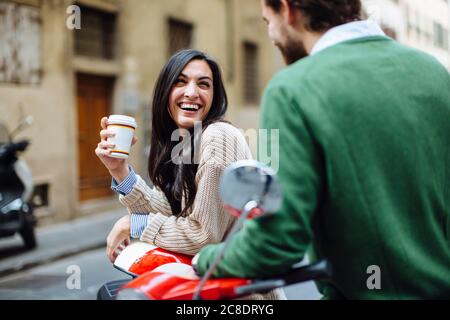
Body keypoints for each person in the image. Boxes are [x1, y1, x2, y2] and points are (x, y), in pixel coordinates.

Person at [193, 0, 450, 299]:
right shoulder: (434, 72)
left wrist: (205, 260)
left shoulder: (292, 89)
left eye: (268, 22)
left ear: (287, 10)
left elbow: (276, 242)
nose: (272, 37)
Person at [95, 49, 285, 300]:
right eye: (180, 81)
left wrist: (134, 224)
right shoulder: (185, 143)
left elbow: (204, 236)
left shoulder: (218, 136)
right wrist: (119, 170)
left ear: (214, 96)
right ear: (165, 91)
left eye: (203, 84)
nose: (192, 92)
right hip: (207, 289)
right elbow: (168, 211)